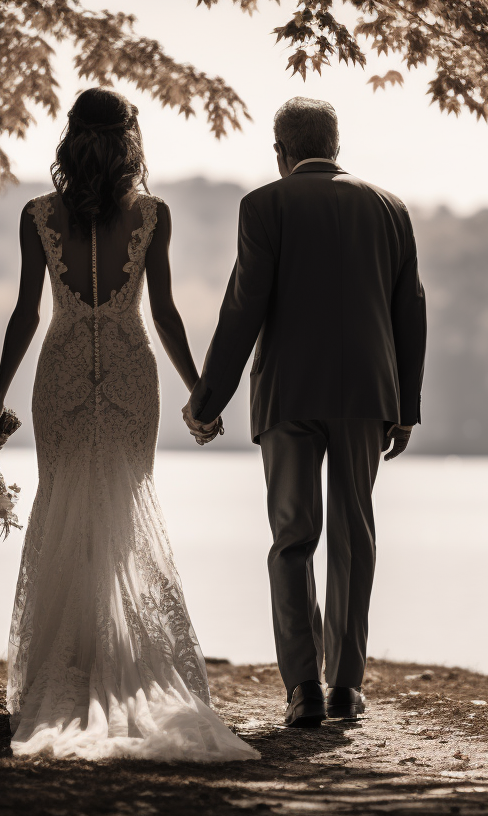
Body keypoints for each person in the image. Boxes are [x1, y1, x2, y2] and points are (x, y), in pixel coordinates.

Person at [0, 87, 257, 761]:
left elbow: (27, 315)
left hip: (63, 372)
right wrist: (200, 392)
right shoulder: (152, 216)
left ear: (72, 139)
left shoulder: (37, 215)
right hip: (133, 375)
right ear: (130, 141)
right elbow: (163, 313)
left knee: (68, 507)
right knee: (121, 511)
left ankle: (67, 669)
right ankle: (107, 661)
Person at [184, 97, 427, 728]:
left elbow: (244, 309)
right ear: (337, 145)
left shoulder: (263, 206)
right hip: (367, 397)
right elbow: (410, 313)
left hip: (288, 394)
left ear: (279, 151)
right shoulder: (390, 208)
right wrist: (406, 408)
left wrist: (208, 401)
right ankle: (346, 687)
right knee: (354, 538)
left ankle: (303, 691)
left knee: (293, 540)